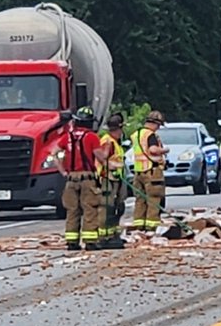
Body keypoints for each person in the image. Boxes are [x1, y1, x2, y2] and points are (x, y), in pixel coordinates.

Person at [53, 106, 108, 250]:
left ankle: (72, 242)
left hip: (71, 179)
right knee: (90, 208)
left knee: (72, 210)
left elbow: (54, 153)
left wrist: (63, 171)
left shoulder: (67, 137)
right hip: (87, 178)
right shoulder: (92, 137)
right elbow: (100, 157)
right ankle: (90, 242)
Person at [130, 110, 169, 232]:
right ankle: (152, 227)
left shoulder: (136, 134)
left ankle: (139, 226)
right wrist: (165, 150)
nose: (158, 128)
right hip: (151, 172)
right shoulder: (150, 135)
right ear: (155, 123)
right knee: (154, 200)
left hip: (138, 172)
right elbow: (153, 150)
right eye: (158, 125)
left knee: (140, 200)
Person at [97, 113, 127, 249]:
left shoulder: (114, 142)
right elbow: (103, 159)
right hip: (107, 179)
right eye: (121, 129)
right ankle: (104, 237)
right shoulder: (108, 142)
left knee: (117, 207)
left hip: (116, 179)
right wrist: (113, 166)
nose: (122, 133)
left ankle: (113, 234)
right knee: (107, 208)